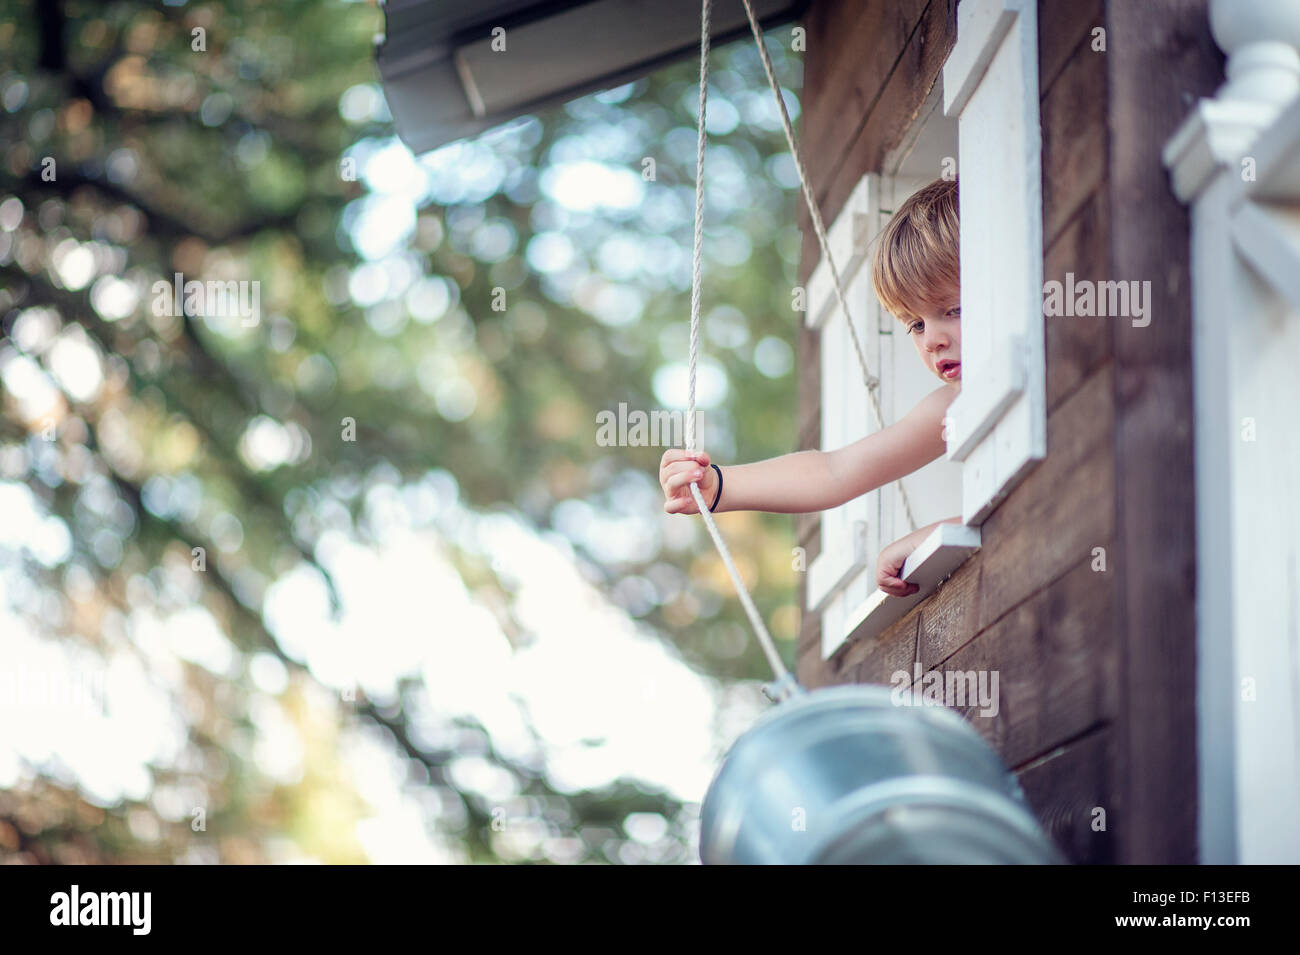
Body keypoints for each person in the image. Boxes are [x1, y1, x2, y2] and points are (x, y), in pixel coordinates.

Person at [658, 177, 964, 597]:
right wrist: (719, 486)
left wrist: (948, 530)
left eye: (953, 309)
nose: (931, 339)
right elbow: (834, 471)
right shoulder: (949, 405)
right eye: (915, 324)